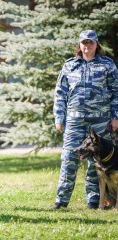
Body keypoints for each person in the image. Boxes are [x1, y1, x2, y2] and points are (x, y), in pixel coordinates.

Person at [53, 30, 118, 209]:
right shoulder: (70, 65)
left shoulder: (107, 65)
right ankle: (61, 201)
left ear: (97, 45)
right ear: (79, 45)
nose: (87, 46)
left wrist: (115, 116)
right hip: (74, 121)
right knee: (69, 158)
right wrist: (59, 117)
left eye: (91, 43)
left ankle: (94, 200)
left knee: (95, 162)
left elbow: (116, 92)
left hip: (100, 122)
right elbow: (60, 93)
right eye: (84, 43)